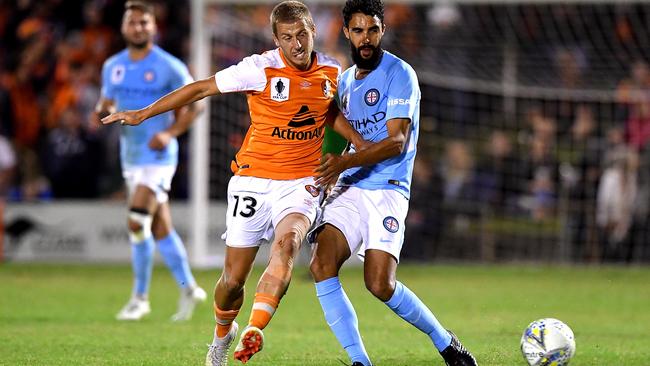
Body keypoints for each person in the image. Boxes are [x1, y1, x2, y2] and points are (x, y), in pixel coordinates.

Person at [101, 1, 365, 365]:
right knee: (231, 282)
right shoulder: (259, 68)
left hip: (301, 181)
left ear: (313, 31)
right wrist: (145, 113)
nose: (296, 44)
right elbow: (200, 89)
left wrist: (357, 145)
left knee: (288, 244)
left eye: (302, 35)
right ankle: (223, 336)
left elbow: (328, 110)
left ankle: (255, 328)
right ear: (276, 39)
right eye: (287, 37)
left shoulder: (333, 69)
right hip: (253, 180)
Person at [309, 1, 478, 365]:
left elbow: (396, 141)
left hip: (388, 188)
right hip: (353, 187)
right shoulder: (343, 81)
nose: (365, 38)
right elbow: (337, 134)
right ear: (346, 33)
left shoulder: (400, 74)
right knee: (322, 263)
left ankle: (446, 342)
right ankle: (360, 361)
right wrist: (328, 171)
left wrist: (347, 160)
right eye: (358, 31)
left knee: (379, 285)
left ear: (382, 30)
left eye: (372, 30)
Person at [94, 1, 207, 322]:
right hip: (130, 156)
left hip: (158, 156)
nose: (139, 28)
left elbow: (196, 103)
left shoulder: (168, 66)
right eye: (133, 22)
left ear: (153, 27)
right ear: (123, 27)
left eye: (144, 22)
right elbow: (106, 103)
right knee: (160, 227)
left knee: (136, 221)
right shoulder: (112, 66)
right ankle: (189, 290)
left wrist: (171, 132)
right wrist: (102, 111)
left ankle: (140, 298)